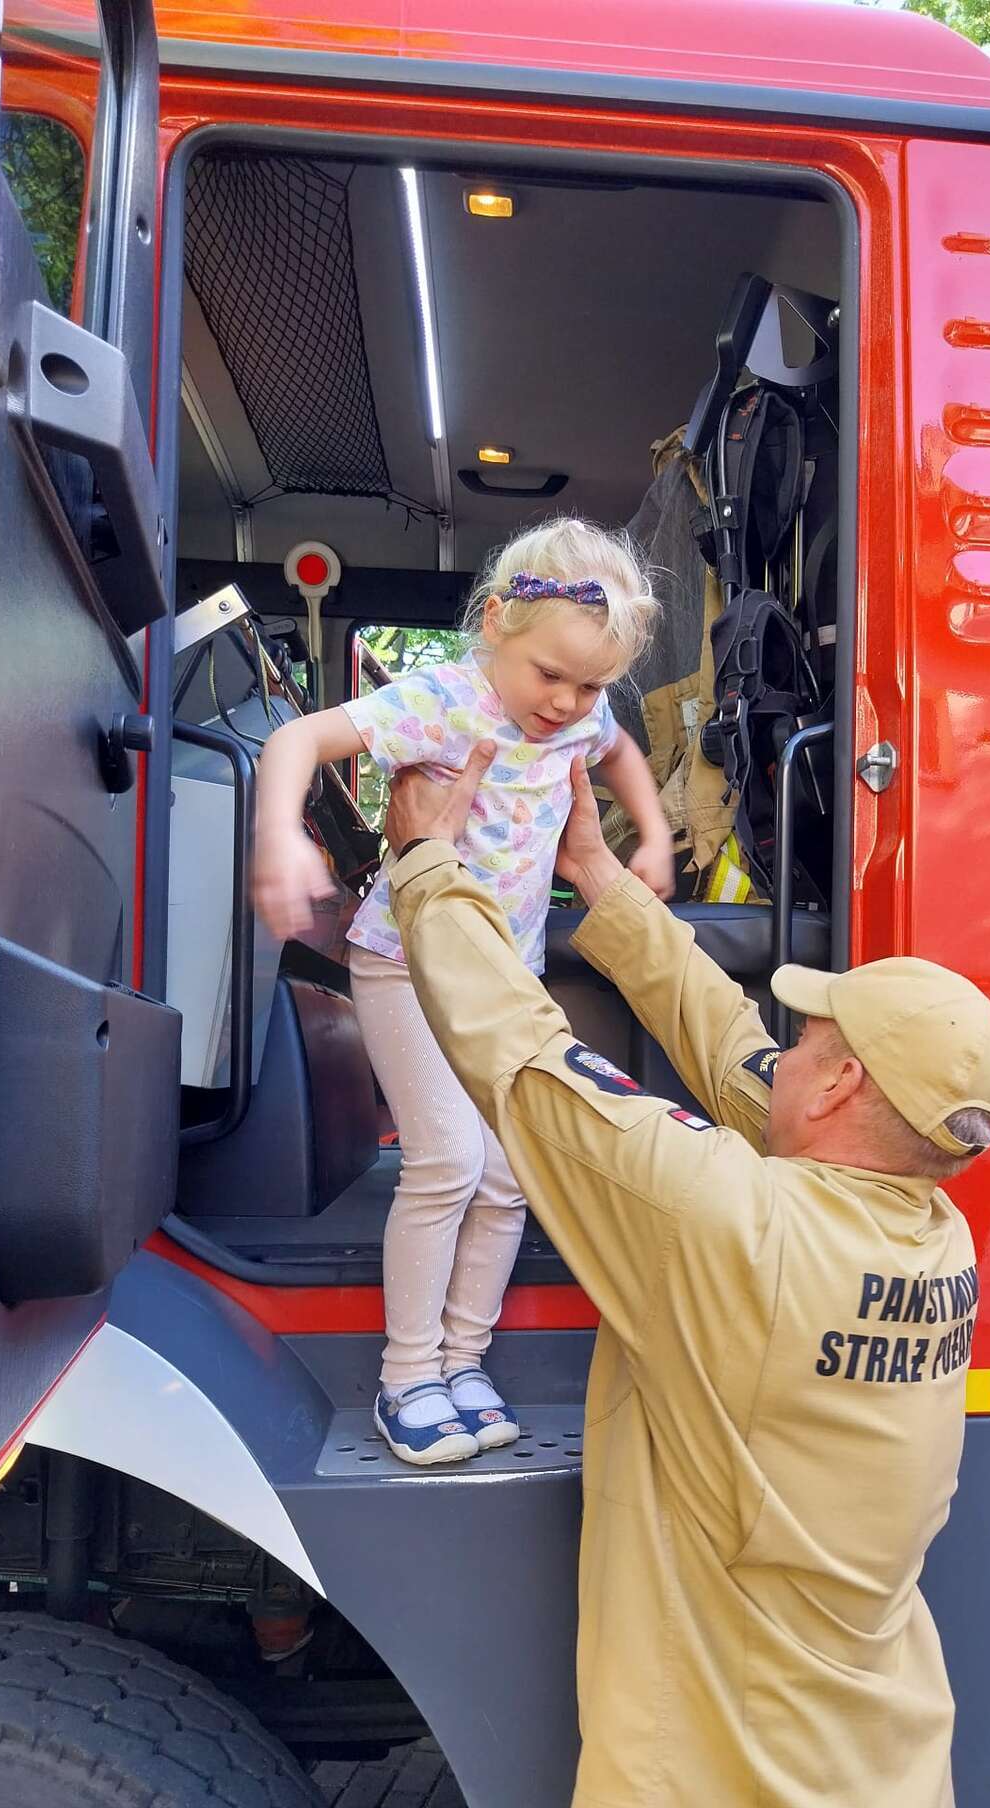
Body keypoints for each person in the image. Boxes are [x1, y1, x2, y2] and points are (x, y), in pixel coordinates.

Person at [380, 742, 990, 1808]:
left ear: (841, 1089)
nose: (791, 1040)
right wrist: (601, 880)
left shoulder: (732, 1227)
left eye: (813, 1036)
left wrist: (423, 860)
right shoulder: (933, 1230)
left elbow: (525, 1059)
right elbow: (737, 1055)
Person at [252, 518, 674, 1467]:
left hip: (502, 977)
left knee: (509, 1173)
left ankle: (462, 1361)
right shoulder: (445, 701)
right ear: (495, 626)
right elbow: (297, 739)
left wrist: (649, 833)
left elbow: (618, 753)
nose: (566, 703)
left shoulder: (583, 715)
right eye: (549, 675)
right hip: (406, 962)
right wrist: (280, 836)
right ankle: (407, 1376)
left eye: (590, 686)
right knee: (445, 1159)